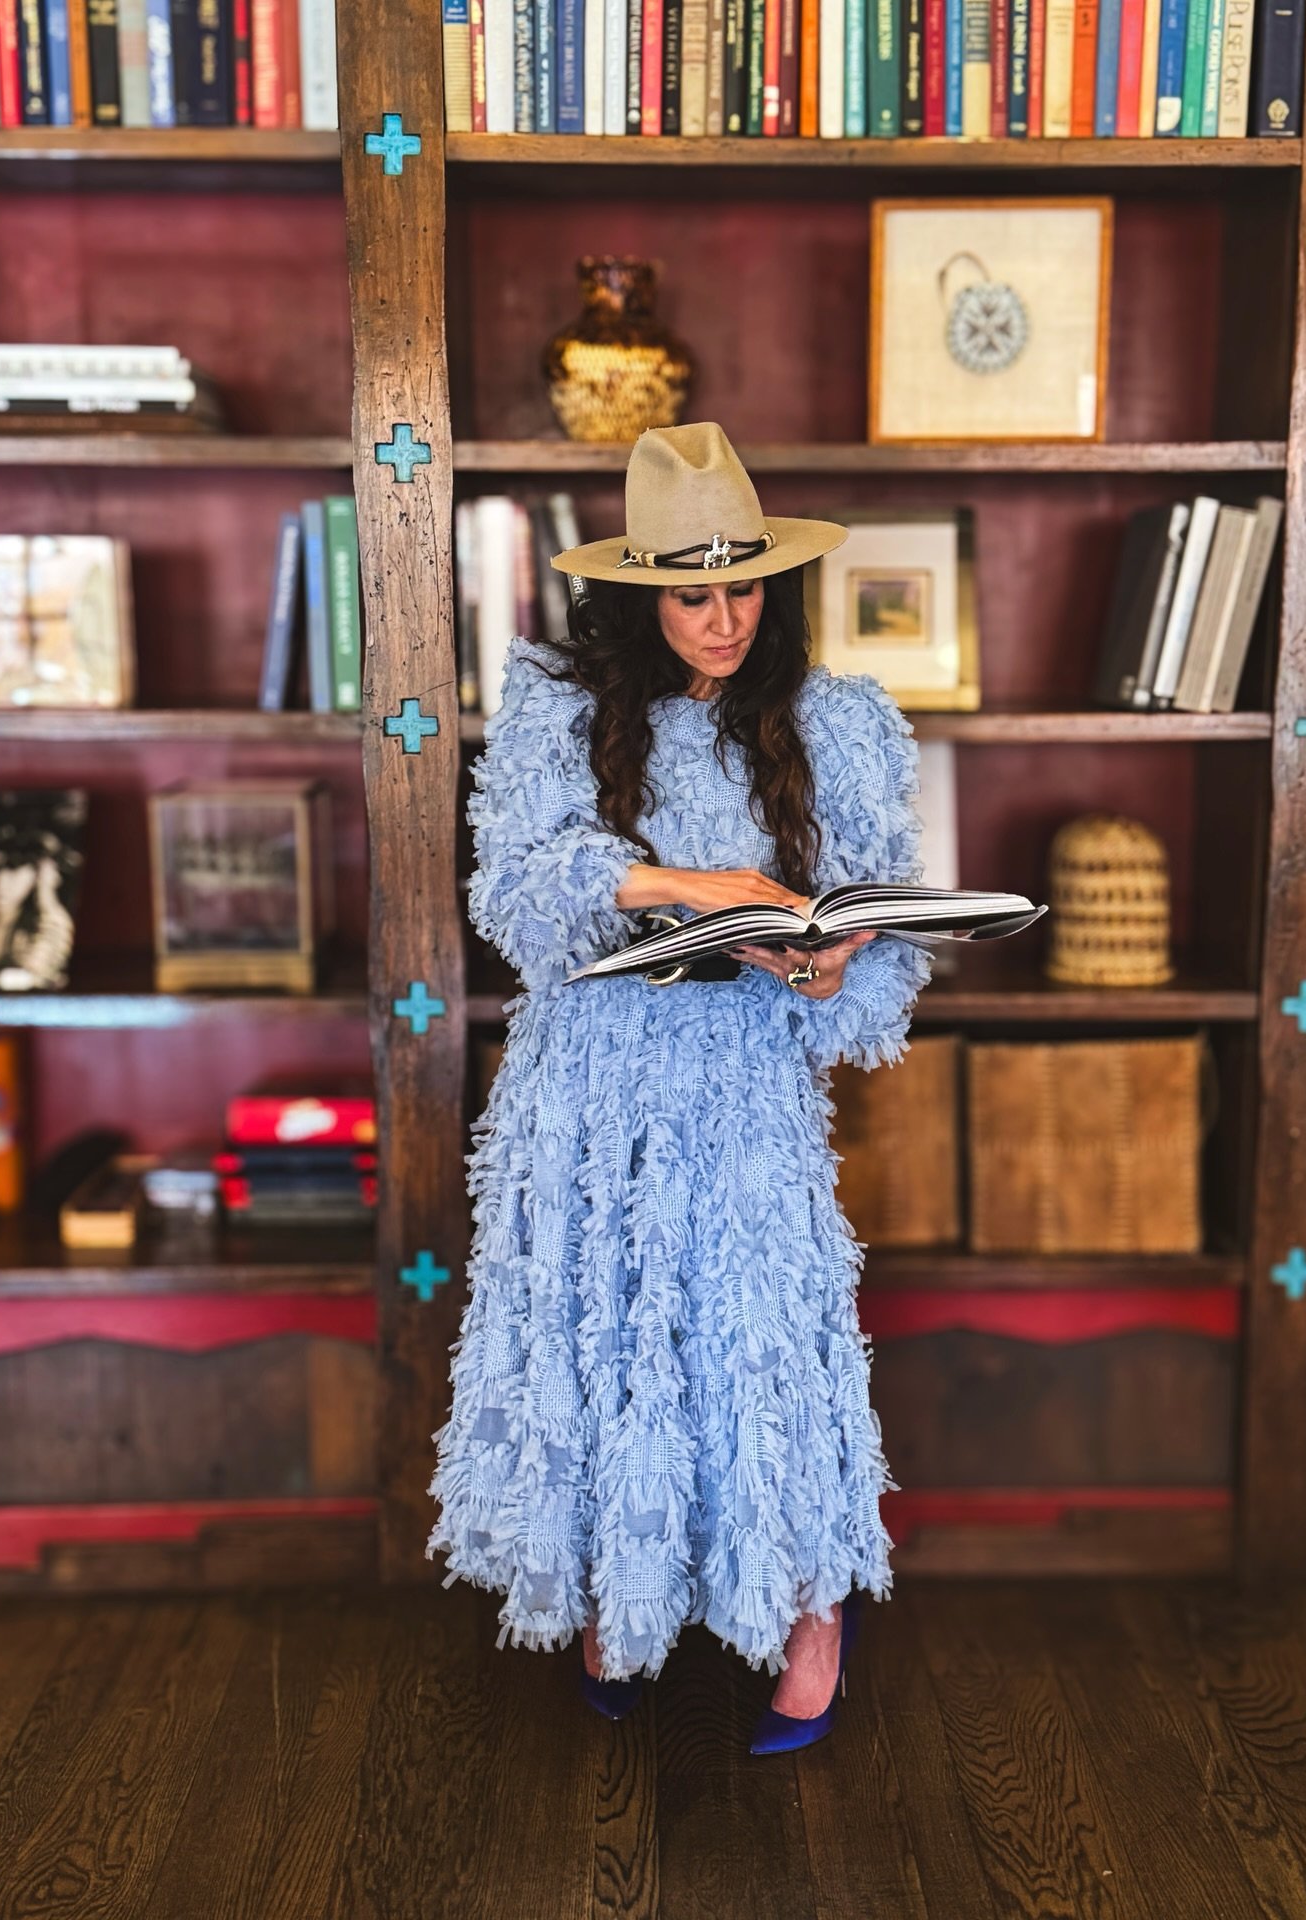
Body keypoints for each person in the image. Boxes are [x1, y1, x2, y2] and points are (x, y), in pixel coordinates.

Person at [425, 420, 934, 1754]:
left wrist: (832, 974)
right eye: (693, 593)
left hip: (747, 1075)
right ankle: (625, 1597)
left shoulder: (839, 722)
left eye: (744, 586)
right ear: (641, 594)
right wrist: (676, 883)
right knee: (613, 1327)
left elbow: (883, 947)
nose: (723, 617)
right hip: (585, 1082)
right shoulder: (554, 704)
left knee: (764, 1333)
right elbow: (513, 893)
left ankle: (814, 1608)